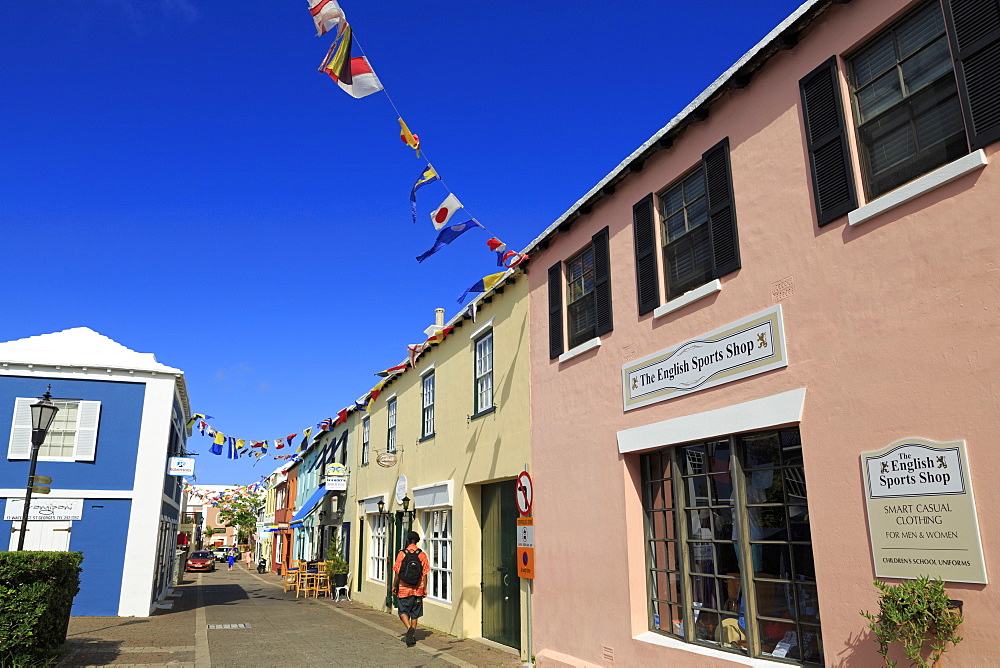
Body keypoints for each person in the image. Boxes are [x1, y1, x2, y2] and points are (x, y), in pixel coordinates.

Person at [392, 531, 430, 647]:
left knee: (403, 611)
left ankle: (409, 629)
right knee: (415, 613)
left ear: (408, 540)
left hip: (404, 588)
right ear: (417, 541)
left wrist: (395, 585)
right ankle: (412, 636)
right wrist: (424, 588)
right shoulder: (422, 554)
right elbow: (425, 574)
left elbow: (397, 571)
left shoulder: (402, 554)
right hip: (417, 588)